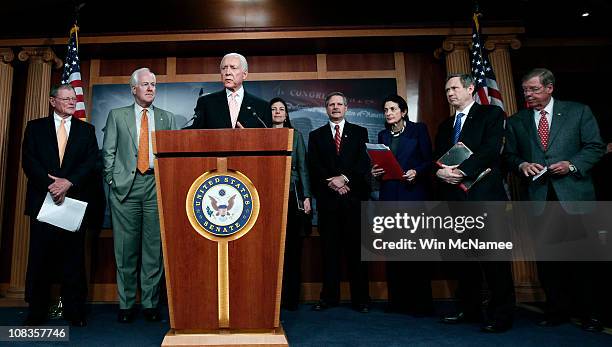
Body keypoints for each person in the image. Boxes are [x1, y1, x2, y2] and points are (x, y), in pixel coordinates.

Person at [503, 68, 605, 331]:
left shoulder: (578, 111)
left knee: (582, 258)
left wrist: (571, 165)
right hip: (539, 199)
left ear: (550, 88)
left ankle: (589, 312)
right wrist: (522, 165)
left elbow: (595, 146)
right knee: (548, 259)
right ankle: (556, 310)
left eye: (534, 89)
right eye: (525, 89)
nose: (528, 94)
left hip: (574, 195)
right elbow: (510, 156)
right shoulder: (517, 121)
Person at [434, 74, 514, 332]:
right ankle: (469, 310)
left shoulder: (491, 114)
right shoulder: (445, 126)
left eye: (454, 88)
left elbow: (491, 150)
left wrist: (462, 170)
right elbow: (437, 159)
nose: (450, 93)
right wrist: (439, 172)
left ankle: (500, 316)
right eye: (447, 89)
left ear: (470, 88)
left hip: (485, 198)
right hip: (455, 199)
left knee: (494, 261)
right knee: (463, 260)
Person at [102, 67, 177, 323]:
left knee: (153, 250)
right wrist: (112, 180)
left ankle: (150, 304)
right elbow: (108, 152)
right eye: (145, 84)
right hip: (125, 189)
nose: (150, 88)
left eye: (153, 84)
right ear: (133, 88)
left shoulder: (167, 118)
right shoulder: (117, 115)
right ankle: (125, 305)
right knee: (125, 250)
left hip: (156, 187)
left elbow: (173, 156)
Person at [22, 84, 98, 327]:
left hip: (73, 202)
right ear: (52, 100)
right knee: (40, 258)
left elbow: (91, 162)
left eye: (73, 99)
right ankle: (36, 311)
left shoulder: (87, 130)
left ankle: (75, 311)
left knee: (73, 259)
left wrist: (69, 182)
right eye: (65, 99)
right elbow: (28, 161)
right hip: (43, 202)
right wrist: (52, 185)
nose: (70, 102)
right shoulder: (35, 128)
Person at [370, 94, 433, 315]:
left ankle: (421, 304)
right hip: (389, 197)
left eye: (393, 109)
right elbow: (382, 166)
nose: (388, 113)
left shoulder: (418, 130)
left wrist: (417, 171)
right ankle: (398, 301)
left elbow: (429, 161)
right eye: (385, 110)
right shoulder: (382, 135)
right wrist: (375, 172)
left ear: (403, 111)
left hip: (412, 195)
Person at [308, 92, 371, 313]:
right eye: (331, 104)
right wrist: (333, 183)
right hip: (329, 204)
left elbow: (363, 163)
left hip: (353, 201)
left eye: (339, 104)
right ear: (326, 108)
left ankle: (361, 299)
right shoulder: (316, 136)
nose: (335, 107)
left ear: (346, 107)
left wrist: (344, 179)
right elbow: (314, 166)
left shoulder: (360, 132)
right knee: (329, 252)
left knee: (357, 253)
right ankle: (329, 298)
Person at [270, 97, 312, 310]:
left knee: (292, 249)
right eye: (274, 109)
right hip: (267, 198)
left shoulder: (295, 136)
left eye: (281, 109)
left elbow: (303, 167)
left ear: (286, 114)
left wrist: (306, 197)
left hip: (292, 195)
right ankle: (270, 299)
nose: (277, 112)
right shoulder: (262, 135)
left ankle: (290, 299)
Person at [188, 53, 271, 129]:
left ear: (244, 75)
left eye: (233, 68)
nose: (227, 72)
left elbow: (268, 140)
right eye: (224, 68)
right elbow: (195, 134)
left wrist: (249, 138)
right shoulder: (206, 103)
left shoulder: (262, 107)